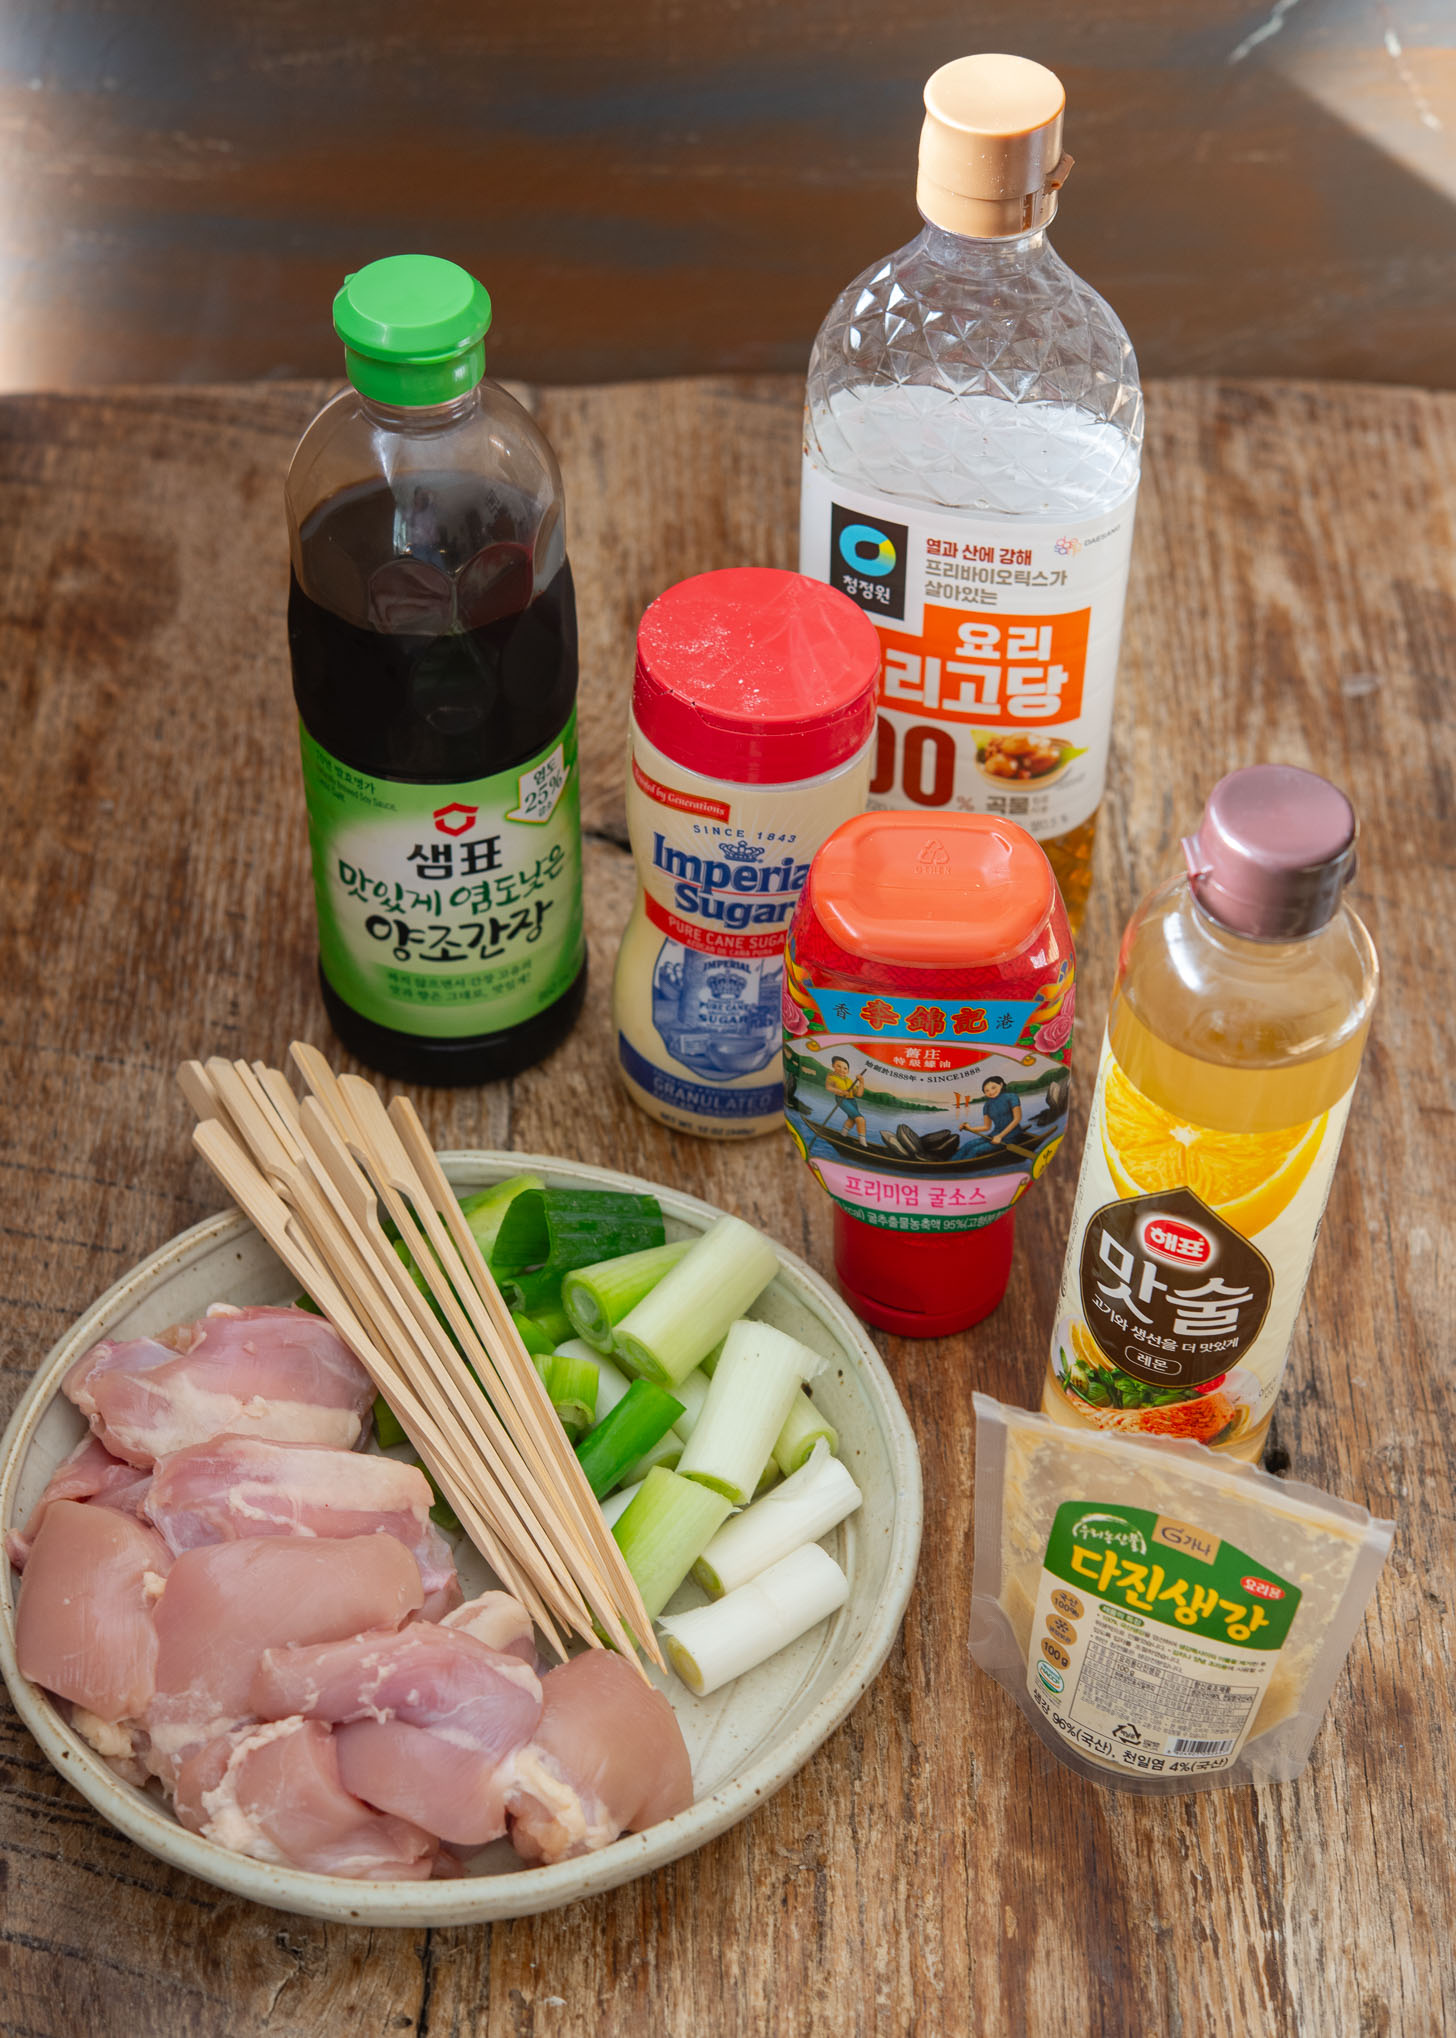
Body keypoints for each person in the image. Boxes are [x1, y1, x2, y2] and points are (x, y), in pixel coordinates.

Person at [960, 1075, 1021, 1148]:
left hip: (1012, 1135)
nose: (991, 1092)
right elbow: (987, 1127)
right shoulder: (987, 1105)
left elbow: (1017, 1119)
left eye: (993, 1088)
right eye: (987, 1090)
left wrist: (1000, 1136)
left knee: (975, 1150)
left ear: (1001, 1085)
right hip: (995, 1135)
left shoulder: (1012, 1097)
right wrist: (969, 1128)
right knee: (967, 1145)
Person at [825, 1055, 868, 1143]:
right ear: (833, 1066)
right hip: (842, 1099)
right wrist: (841, 1092)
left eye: (845, 1068)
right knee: (860, 1119)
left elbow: (859, 1094)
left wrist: (861, 1082)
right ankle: (863, 1143)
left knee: (852, 1119)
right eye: (838, 1066)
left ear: (848, 1071)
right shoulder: (831, 1077)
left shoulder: (849, 1080)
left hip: (852, 1100)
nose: (842, 1070)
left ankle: (843, 1135)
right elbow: (828, 1087)